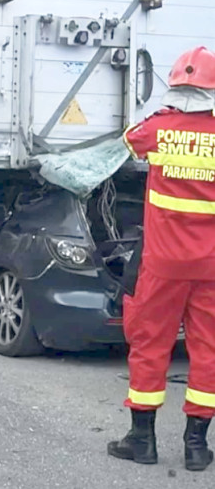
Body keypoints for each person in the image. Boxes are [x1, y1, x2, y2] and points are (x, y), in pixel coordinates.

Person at [108, 46, 215, 471]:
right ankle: (195, 448)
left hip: (162, 263)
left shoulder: (158, 128)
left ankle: (142, 440)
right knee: (208, 350)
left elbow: (128, 142)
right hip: (210, 265)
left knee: (150, 346)